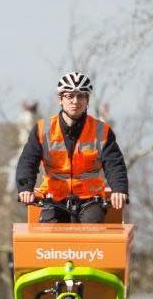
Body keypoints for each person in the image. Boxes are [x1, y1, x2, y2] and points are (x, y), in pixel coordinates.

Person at [16, 71, 128, 222]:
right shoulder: (43, 130)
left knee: (93, 229)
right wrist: (25, 188)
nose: (75, 101)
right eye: (69, 96)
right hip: (53, 198)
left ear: (87, 100)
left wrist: (119, 190)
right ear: (60, 99)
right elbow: (28, 161)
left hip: (90, 200)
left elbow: (114, 164)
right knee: (47, 234)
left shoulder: (102, 131)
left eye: (81, 96)